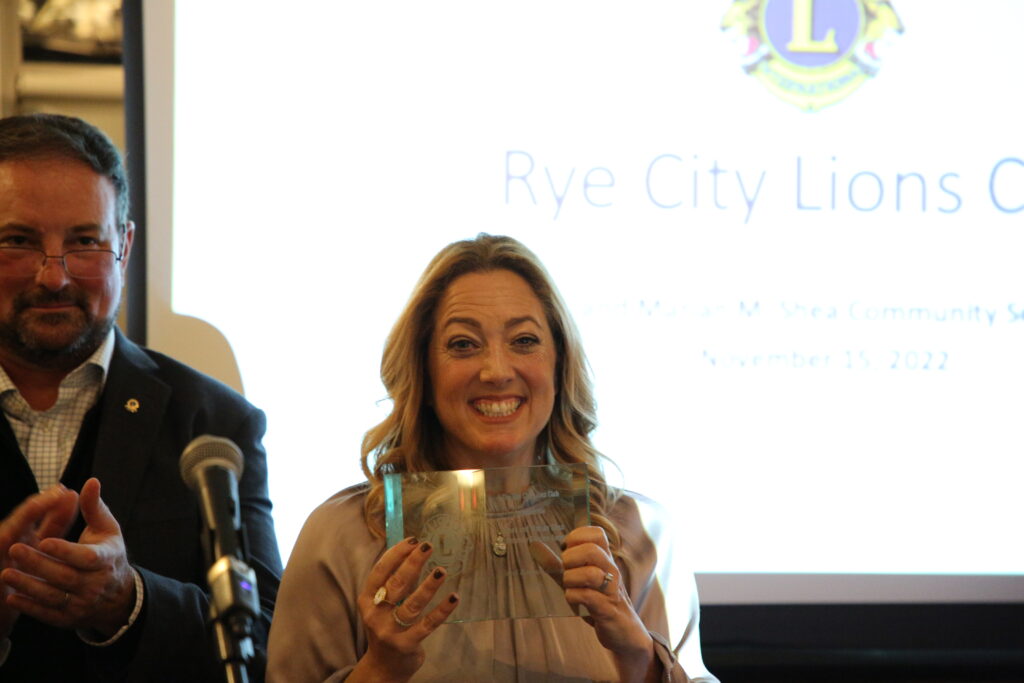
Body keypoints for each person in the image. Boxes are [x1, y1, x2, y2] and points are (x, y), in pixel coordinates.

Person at [267, 234, 717, 682]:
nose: (497, 371)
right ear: (422, 370)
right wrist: (381, 668)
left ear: (560, 366)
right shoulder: (340, 539)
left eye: (524, 341)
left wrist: (638, 652)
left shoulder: (641, 533)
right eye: (463, 344)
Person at [0, 113, 282, 681]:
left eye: (84, 241)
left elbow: (271, 634)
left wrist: (129, 602)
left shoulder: (216, 425)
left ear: (124, 246)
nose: (54, 277)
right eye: (19, 241)